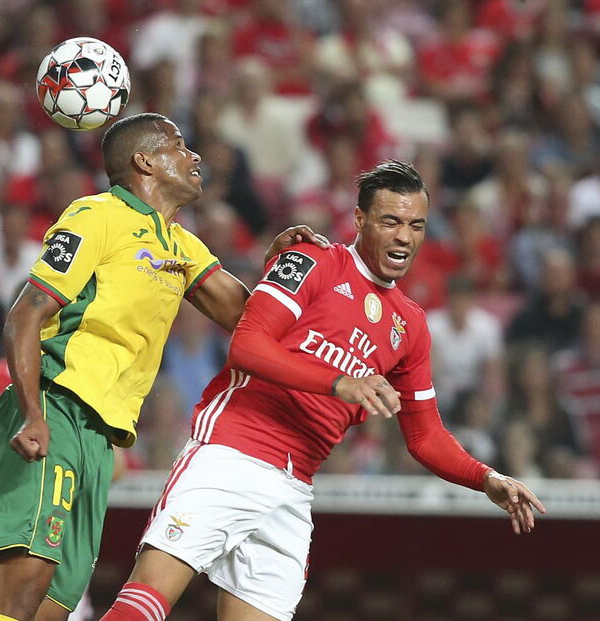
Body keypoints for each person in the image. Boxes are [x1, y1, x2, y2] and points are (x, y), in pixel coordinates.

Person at [99, 160, 546, 621]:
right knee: (148, 598)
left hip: (294, 485)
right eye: (390, 221)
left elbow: (425, 437)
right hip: (232, 450)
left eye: (416, 225)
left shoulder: (410, 325)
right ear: (359, 220)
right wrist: (339, 383)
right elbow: (248, 345)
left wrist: (486, 478)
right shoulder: (309, 260)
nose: (404, 237)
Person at [0, 112, 327, 621]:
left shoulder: (180, 245)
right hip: (57, 406)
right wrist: (33, 413)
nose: (195, 156)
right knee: (22, 589)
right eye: (179, 146)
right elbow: (26, 313)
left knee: (56, 604)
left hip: (101, 436)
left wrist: (275, 268)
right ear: (145, 160)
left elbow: (247, 318)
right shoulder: (95, 215)